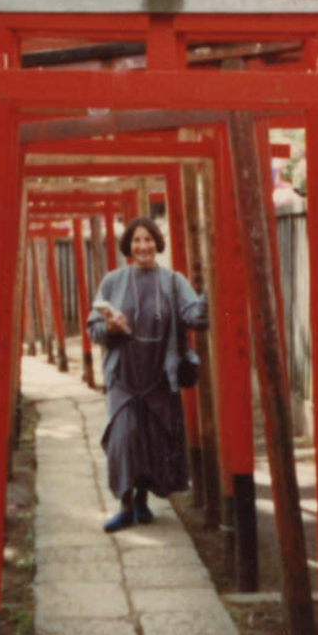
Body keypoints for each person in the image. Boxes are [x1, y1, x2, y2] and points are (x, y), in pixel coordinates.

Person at [86, 215, 208, 533]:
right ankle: (125, 506)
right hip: (124, 375)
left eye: (149, 239)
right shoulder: (112, 281)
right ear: (129, 245)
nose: (143, 246)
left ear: (157, 243)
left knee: (152, 441)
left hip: (159, 374)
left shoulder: (172, 280)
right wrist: (109, 327)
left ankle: (141, 501)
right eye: (137, 240)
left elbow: (194, 315)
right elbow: (92, 327)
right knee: (123, 439)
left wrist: (211, 293)